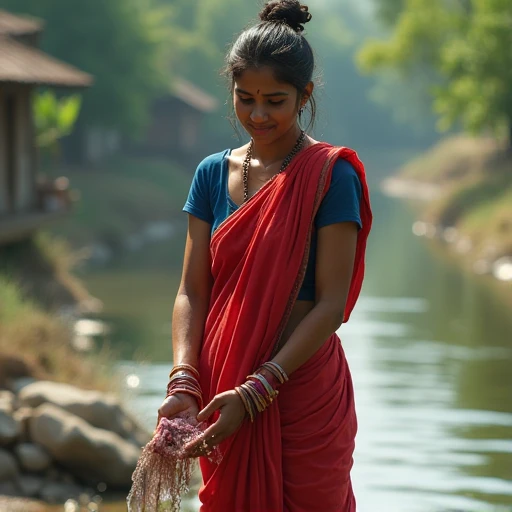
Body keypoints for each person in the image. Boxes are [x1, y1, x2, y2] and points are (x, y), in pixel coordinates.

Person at [157, 1, 373, 510]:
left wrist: (259, 390)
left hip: (302, 393)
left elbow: (331, 305)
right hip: (221, 384)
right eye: (244, 98)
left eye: (274, 100)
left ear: (304, 96)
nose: (257, 115)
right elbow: (192, 288)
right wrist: (184, 378)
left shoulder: (329, 177)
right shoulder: (211, 174)